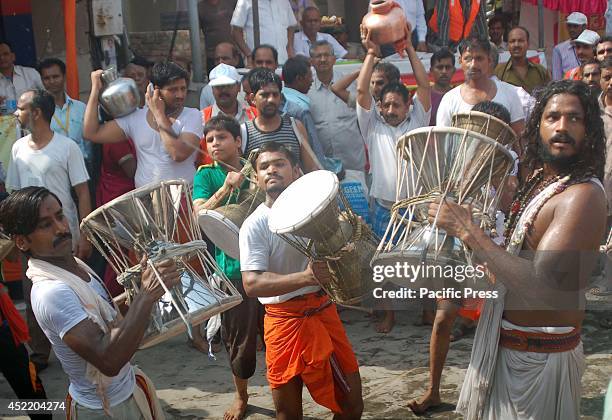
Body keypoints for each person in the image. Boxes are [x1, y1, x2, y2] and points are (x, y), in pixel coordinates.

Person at [439, 80, 607, 419]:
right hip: (507, 349)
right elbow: (514, 266)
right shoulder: (540, 182)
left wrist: (469, 232)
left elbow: (544, 288)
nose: (562, 126)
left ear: (589, 130)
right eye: (552, 117)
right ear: (537, 126)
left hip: (538, 363)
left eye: (574, 118)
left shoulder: (583, 196)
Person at [0, 186, 181, 418]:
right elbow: (108, 360)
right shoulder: (51, 291)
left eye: (60, 215)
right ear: (22, 242)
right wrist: (146, 294)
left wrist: (139, 287)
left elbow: (106, 316)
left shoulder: (74, 265)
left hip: (128, 393)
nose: (62, 228)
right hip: (103, 411)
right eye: (45, 225)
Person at [239, 141, 363, 419]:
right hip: (283, 321)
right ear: (257, 179)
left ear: (296, 171)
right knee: (288, 414)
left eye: (279, 163)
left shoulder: (321, 211)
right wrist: (305, 277)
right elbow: (252, 284)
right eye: (264, 167)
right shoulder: (255, 224)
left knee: (352, 406)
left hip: (323, 312)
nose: (272, 170)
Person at [409, 100, 512, 415]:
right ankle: (434, 391)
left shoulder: (510, 169)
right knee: (443, 319)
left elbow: (506, 212)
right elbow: (436, 207)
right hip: (458, 253)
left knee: (497, 329)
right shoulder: (457, 166)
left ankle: (492, 393)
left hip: (494, 254)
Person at [357, 24, 431, 333]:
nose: (389, 109)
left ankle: (427, 313)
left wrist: (410, 49)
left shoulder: (417, 120)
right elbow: (362, 92)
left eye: (395, 104)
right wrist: (371, 55)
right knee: (383, 263)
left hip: (419, 207)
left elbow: (425, 88)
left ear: (407, 106)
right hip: (385, 206)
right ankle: (388, 315)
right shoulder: (372, 125)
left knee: (427, 261)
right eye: (385, 104)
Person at [193, 115, 262, 420]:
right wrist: (226, 189)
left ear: (237, 141)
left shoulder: (258, 166)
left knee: (276, 331)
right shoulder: (206, 175)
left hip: (267, 261)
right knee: (238, 340)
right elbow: (199, 215)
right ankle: (241, 397)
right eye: (210, 140)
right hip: (231, 267)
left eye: (221, 138)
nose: (215, 144)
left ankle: (284, 387)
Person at [83, 61, 203, 189]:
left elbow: (178, 153)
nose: (180, 95)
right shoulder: (135, 118)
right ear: (155, 90)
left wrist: (159, 114)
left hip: (184, 198)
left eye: (183, 89)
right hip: (147, 200)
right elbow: (91, 133)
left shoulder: (192, 116)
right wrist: (95, 89)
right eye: (173, 90)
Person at [436, 38, 525, 140]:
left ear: (489, 60)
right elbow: (442, 141)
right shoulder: (450, 99)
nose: (473, 65)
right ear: (460, 61)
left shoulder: (509, 93)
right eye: (468, 59)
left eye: (479, 58)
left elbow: (519, 139)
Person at [241, 68, 319, 172]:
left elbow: (311, 168)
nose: (271, 100)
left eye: (275, 94)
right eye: (264, 95)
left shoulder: (295, 127)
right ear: (252, 98)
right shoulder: (244, 132)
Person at [308, 40, 366, 172]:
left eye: (326, 55)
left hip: (354, 162)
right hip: (323, 166)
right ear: (311, 61)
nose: (323, 59)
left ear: (334, 59)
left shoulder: (352, 85)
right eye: (318, 56)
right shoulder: (307, 89)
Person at [197, 63, 257, 167]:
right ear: (212, 90)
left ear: (238, 87)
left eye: (228, 86)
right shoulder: (200, 118)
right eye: (218, 87)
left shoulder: (255, 114)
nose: (223, 90)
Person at [39, 58, 92, 166]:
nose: (52, 81)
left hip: (83, 165)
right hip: (55, 169)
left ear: (64, 76)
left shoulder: (81, 108)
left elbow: (89, 143)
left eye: (56, 76)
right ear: (42, 80)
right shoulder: (39, 113)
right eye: (47, 78)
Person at [0, 41, 43, 172]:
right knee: (13, 171)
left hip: (34, 130)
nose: (2, 58)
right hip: (6, 138)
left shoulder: (31, 74)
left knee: (38, 166)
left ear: (13, 56)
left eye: (5, 54)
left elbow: (47, 98)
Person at [231, 0, 297, 66]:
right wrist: (249, 55)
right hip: (259, 63)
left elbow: (291, 26)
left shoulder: (284, 2)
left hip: (283, 60)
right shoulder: (245, 1)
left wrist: (290, 47)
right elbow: (236, 31)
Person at [495, 26, 550, 94]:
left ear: (528, 44)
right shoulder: (498, 71)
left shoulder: (541, 71)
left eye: (521, 41)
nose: (516, 45)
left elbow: (549, 96)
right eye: (512, 41)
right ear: (508, 45)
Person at [200, 42, 243, 110]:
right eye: (217, 59)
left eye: (225, 58)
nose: (221, 62)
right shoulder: (206, 90)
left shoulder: (247, 84)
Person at [198, 0, 238, 73]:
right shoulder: (199, 7)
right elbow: (195, 32)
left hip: (232, 53)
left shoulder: (232, 2)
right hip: (213, 56)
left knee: (237, 80)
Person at [552, 12, 588, 80]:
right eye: (569, 26)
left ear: (584, 27)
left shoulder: (594, 45)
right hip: (568, 88)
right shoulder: (559, 49)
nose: (571, 29)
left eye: (575, 26)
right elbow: (556, 78)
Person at [429, 48, 456, 125]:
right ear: (431, 71)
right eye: (440, 67)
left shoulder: (460, 96)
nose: (444, 72)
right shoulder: (423, 96)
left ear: (454, 70)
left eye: (448, 67)